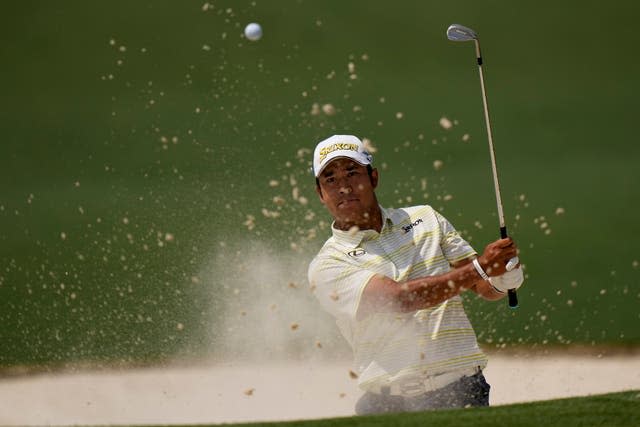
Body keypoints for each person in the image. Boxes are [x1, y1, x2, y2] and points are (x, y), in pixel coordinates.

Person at [307, 134, 524, 415]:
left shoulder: (426, 219)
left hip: (463, 391)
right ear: (320, 193)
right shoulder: (326, 264)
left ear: (373, 178)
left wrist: (503, 279)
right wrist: (481, 267)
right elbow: (398, 300)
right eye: (330, 180)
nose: (344, 187)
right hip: (389, 406)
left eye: (352, 173)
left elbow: (483, 286)